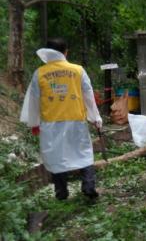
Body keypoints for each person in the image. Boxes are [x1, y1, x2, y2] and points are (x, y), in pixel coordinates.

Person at [20, 37, 102, 200]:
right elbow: (88, 95)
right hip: (76, 121)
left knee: (56, 156)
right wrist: (95, 118)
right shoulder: (78, 70)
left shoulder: (40, 73)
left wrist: (34, 122)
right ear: (65, 52)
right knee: (83, 152)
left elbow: (34, 100)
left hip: (51, 122)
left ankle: (61, 192)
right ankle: (88, 185)